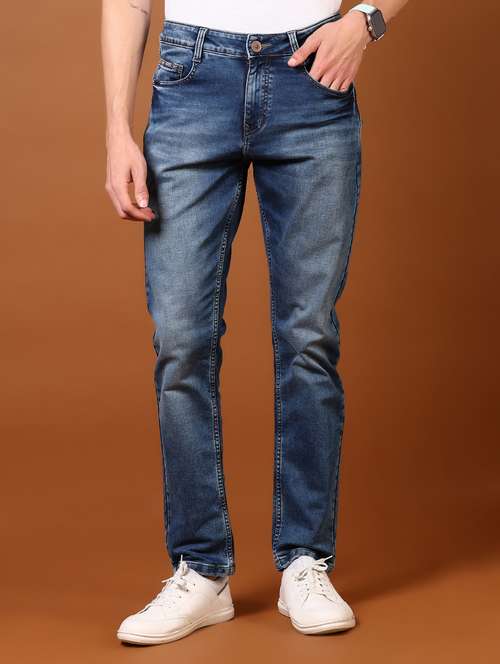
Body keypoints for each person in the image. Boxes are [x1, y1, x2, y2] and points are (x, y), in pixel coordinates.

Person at [102, 0, 408, 643]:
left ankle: (305, 561)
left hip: (312, 81)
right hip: (191, 80)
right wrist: (116, 130)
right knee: (181, 340)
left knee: (308, 337)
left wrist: (367, 21)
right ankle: (200, 569)